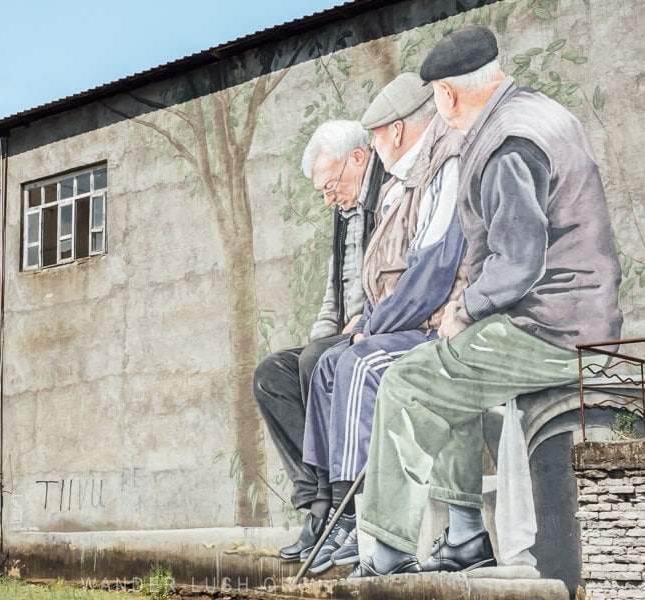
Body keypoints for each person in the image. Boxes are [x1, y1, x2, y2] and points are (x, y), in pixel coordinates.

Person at [350, 26, 623, 578]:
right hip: (577, 316)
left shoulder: (504, 144)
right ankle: (466, 537)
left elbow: (520, 262)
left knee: (409, 380)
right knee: (449, 377)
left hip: (549, 328)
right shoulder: (536, 112)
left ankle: (388, 554)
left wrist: (465, 309)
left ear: (447, 95)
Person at [301, 73, 466, 575]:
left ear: (394, 133)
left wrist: (372, 325)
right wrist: (366, 319)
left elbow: (431, 274)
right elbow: (382, 277)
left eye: (373, 140)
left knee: (358, 362)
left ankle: (359, 520)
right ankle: (328, 505)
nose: (372, 151)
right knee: (329, 362)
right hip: (398, 318)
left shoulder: (444, 167)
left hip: (435, 323)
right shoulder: (406, 183)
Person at [253, 120, 383, 561]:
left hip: (380, 331)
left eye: (332, 184)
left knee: (316, 361)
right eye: (323, 191)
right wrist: (316, 342)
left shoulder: (388, 197)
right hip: (343, 335)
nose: (329, 197)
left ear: (359, 159)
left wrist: (366, 319)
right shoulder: (344, 212)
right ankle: (314, 501)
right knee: (272, 375)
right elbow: (335, 292)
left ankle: (333, 507)